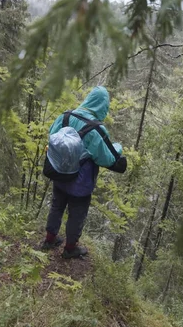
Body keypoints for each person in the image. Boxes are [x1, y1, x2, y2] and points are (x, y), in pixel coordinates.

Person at [41, 86, 127, 259]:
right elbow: (107, 158)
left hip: (59, 173)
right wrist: (118, 148)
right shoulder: (96, 129)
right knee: (76, 215)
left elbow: (52, 135)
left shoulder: (65, 116)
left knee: (56, 206)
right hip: (80, 183)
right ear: (103, 106)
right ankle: (70, 249)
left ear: (88, 99)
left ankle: (49, 240)